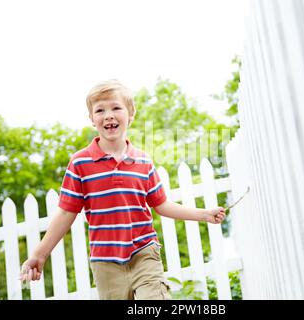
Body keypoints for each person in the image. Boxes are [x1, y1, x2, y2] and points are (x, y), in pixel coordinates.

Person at [19, 79, 226, 300]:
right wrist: (39, 255)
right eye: (100, 110)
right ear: (92, 119)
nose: (108, 115)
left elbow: (162, 205)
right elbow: (66, 212)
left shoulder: (143, 161)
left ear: (130, 114)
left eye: (116, 107)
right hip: (106, 263)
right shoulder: (80, 163)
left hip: (144, 253)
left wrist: (203, 214)